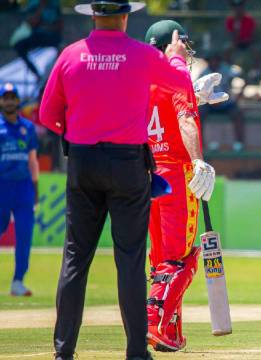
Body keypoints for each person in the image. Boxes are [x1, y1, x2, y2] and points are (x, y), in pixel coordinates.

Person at [38, 1, 194, 359]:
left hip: (82, 160)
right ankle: (137, 352)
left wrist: (75, 136)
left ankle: (63, 352)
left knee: (75, 259)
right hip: (127, 165)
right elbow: (183, 85)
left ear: (93, 15)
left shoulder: (71, 55)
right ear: (125, 16)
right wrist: (175, 56)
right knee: (130, 260)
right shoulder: (141, 54)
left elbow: (48, 114)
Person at [143, 19, 222, 352]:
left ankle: (169, 333)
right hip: (176, 174)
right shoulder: (176, 77)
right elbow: (184, 118)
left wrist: (196, 96)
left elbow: (157, 112)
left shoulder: (140, 79)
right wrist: (198, 160)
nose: (186, 53)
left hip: (148, 177)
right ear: (168, 44)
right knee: (182, 259)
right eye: (182, 45)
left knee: (161, 260)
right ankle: (152, 320)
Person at [0, 83, 39, 297]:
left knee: (24, 236)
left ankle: (18, 281)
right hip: (2, 187)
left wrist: (36, 188)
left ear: (17, 100)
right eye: (5, 97)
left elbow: (32, 160)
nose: (9, 101)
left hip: (24, 187)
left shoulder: (28, 127)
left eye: (12, 97)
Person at [200, 51, 246, 151]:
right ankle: (201, 144)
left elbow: (243, 77)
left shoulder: (226, 69)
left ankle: (239, 144)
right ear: (208, 61)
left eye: (216, 60)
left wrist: (240, 94)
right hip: (210, 103)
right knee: (198, 114)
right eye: (212, 60)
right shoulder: (204, 73)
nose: (214, 62)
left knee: (238, 114)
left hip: (226, 102)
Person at [12, 0, 63, 80]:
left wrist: (47, 27)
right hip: (37, 35)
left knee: (62, 48)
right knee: (19, 46)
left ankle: (56, 74)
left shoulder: (55, 3)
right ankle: (37, 74)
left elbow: (60, 25)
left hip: (52, 36)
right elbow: (32, 22)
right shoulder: (34, 3)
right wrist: (41, 6)